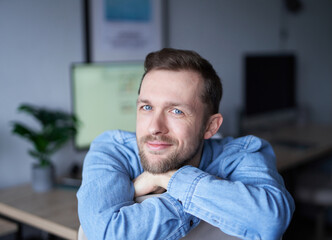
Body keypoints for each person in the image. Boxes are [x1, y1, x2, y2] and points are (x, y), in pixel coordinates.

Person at [77, 48, 295, 240]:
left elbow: (270, 221)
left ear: (211, 126)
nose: (155, 127)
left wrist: (169, 179)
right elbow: (105, 235)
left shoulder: (242, 154)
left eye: (176, 111)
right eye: (146, 107)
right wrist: (220, 198)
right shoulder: (113, 149)